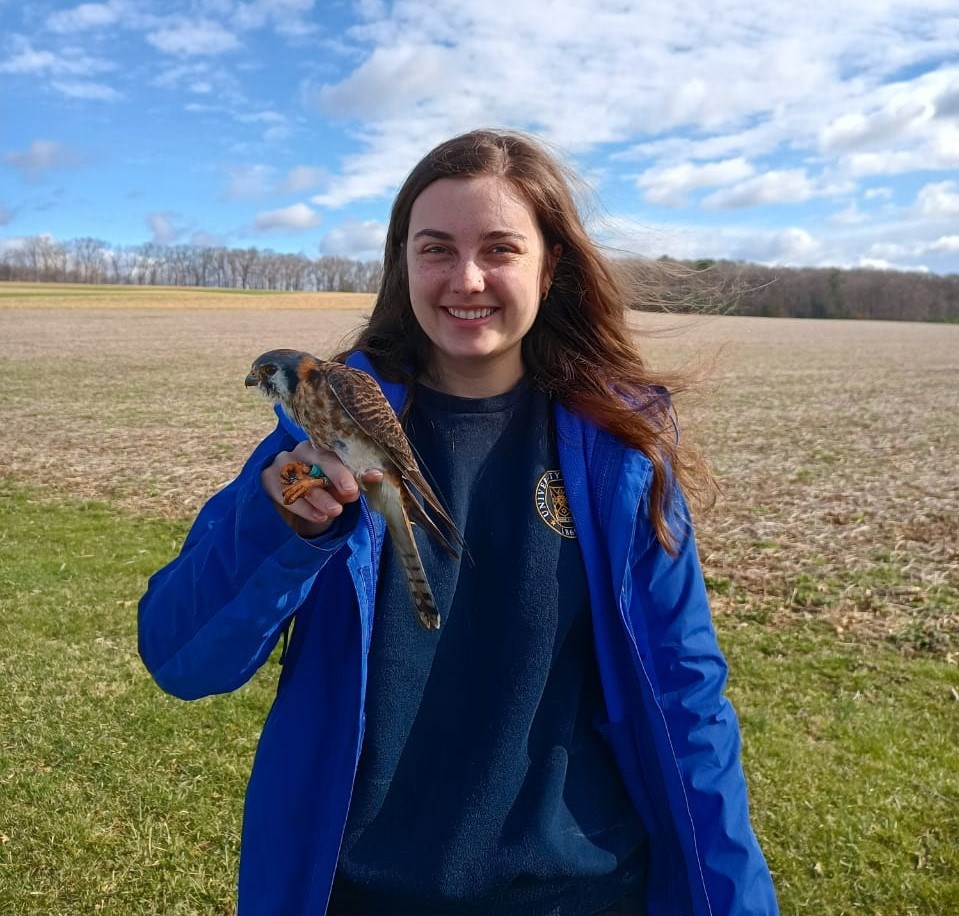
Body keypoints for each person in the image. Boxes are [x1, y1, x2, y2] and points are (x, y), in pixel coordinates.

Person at [138, 128, 778, 915]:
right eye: (436, 247)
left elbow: (687, 700)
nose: (465, 278)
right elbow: (181, 657)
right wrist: (282, 527)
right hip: (355, 893)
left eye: (501, 249)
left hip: (579, 894)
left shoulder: (619, 454)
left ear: (552, 268)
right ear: (401, 262)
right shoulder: (311, 442)